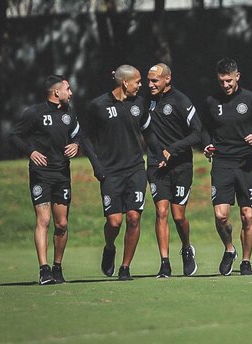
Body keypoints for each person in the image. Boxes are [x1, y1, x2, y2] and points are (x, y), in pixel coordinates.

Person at [81, 64, 166, 281]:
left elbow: (149, 133)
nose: (141, 85)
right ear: (125, 83)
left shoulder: (139, 104)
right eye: (137, 81)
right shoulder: (98, 106)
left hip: (136, 169)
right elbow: (87, 139)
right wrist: (96, 166)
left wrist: (160, 155)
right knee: (114, 222)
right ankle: (110, 247)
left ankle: (125, 267)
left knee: (134, 218)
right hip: (110, 172)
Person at [201, 58, 252, 276]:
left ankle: (247, 261)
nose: (226, 85)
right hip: (222, 164)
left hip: (246, 165)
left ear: (237, 77)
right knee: (221, 216)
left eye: (229, 80)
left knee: (247, 215)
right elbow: (204, 129)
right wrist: (207, 145)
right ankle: (230, 249)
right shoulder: (211, 102)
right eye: (222, 81)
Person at [10, 75, 81, 284]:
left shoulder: (69, 112)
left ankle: (57, 267)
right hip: (41, 174)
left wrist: (76, 145)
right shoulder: (34, 113)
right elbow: (15, 135)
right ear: (56, 92)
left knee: (62, 223)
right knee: (44, 220)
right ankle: (44, 269)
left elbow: (77, 134)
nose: (71, 93)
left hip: (62, 173)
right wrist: (30, 151)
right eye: (68, 89)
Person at [146, 63, 202, 278]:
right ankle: (164, 263)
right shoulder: (146, 102)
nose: (150, 85)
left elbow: (197, 133)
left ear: (167, 79)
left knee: (178, 216)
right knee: (161, 213)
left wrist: (172, 149)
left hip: (181, 166)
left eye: (155, 81)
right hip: (155, 165)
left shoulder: (181, 101)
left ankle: (187, 248)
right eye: (148, 81)